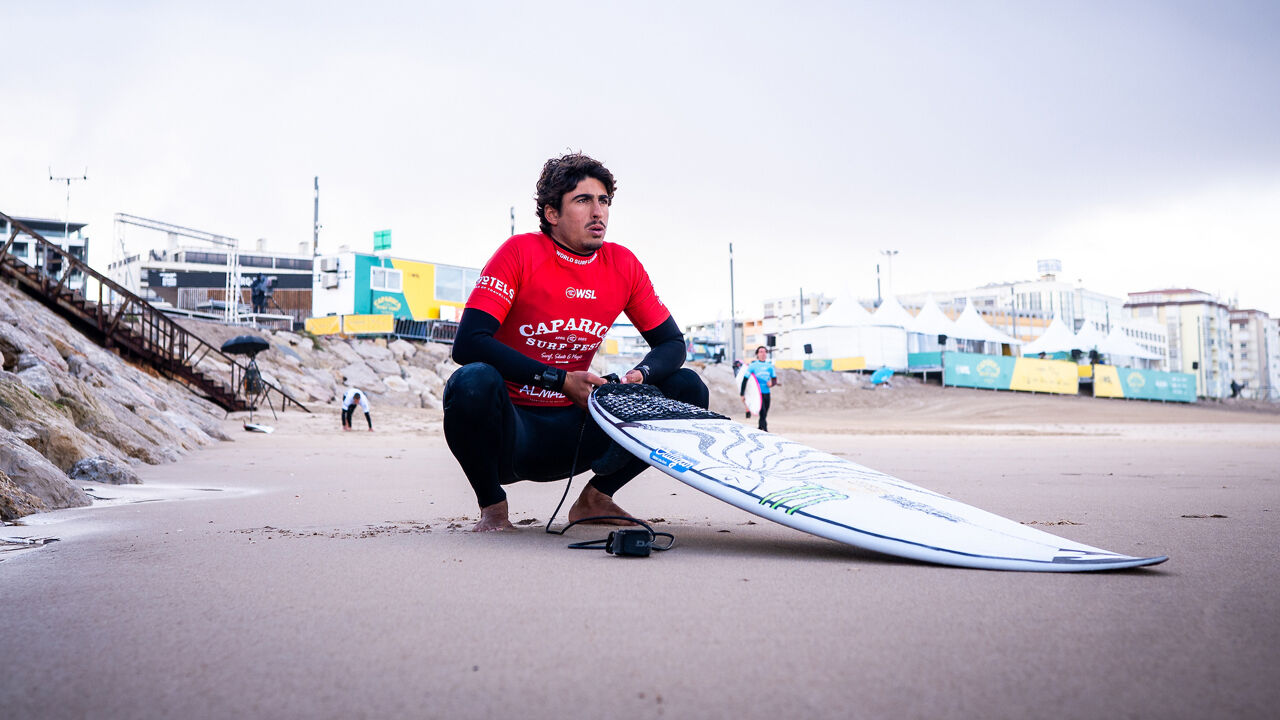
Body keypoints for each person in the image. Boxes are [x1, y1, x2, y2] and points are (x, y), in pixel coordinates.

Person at [444, 152, 709, 532]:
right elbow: (469, 343)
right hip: (510, 434)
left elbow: (672, 343)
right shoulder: (519, 253)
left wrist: (638, 376)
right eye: (583, 200)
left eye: (604, 200)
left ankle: (596, 498)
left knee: (687, 387)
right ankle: (493, 509)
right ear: (552, 213)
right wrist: (560, 379)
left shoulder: (623, 265)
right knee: (471, 381)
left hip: (580, 429)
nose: (598, 212)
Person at [740, 345, 778, 431]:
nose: (763, 354)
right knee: (763, 412)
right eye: (761, 352)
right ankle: (765, 429)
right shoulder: (753, 366)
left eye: (764, 352)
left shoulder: (770, 366)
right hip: (757, 394)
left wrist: (771, 384)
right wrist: (742, 394)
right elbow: (745, 380)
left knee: (765, 413)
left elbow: (774, 380)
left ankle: (760, 428)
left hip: (767, 393)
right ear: (757, 354)